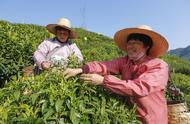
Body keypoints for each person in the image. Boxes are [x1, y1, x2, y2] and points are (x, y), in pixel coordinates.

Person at [63, 25, 169, 124]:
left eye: (135, 43)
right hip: (132, 116)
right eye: (129, 43)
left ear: (146, 46)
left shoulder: (159, 66)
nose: (130, 46)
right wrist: (81, 69)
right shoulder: (126, 61)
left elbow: (140, 87)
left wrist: (103, 81)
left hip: (153, 119)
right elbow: (105, 65)